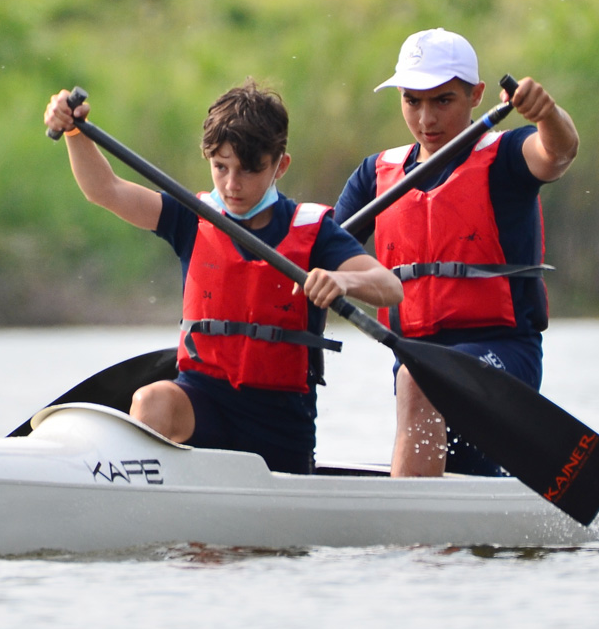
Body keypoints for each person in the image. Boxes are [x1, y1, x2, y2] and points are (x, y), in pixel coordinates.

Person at [44, 80, 402, 475]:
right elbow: (105, 189)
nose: (232, 185)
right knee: (152, 401)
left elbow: (390, 288)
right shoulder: (190, 219)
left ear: (280, 165)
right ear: (208, 159)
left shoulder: (314, 231)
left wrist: (342, 281)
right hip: (203, 401)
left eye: (250, 170)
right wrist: (74, 132)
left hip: (280, 422)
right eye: (221, 167)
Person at [332, 28, 579, 478]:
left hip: (504, 357)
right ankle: (437, 531)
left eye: (442, 100)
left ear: (477, 96)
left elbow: (558, 153)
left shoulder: (507, 156)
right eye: (412, 100)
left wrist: (549, 116)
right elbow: (322, 248)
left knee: (420, 378)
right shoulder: (375, 174)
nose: (426, 118)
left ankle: (409, 533)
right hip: (419, 363)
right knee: (425, 386)